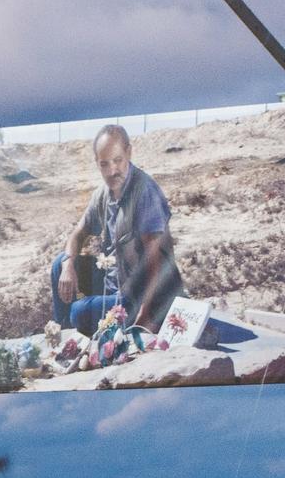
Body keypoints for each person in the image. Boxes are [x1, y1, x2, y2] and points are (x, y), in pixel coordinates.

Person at [50, 124, 185, 335]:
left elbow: (155, 259)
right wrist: (68, 266)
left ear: (129, 153)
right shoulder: (103, 193)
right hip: (114, 279)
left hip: (141, 294)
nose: (112, 171)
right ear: (97, 163)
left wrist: (145, 316)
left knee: (79, 312)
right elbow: (78, 232)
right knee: (60, 263)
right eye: (104, 164)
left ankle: (74, 325)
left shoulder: (143, 191)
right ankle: (63, 332)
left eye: (118, 160)